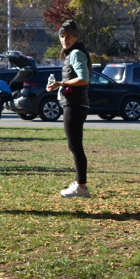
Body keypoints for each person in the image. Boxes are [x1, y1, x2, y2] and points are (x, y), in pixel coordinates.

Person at [47, 19, 91, 198]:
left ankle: (81, 186)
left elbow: (83, 78)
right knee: (74, 145)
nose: (65, 40)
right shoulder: (73, 53)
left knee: (75, 146)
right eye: (62, 36)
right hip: (75, 103)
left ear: (76, 37)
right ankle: (80, 184)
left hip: (75, 104)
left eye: (69, 36)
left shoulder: (76, 53)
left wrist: (61, 83)